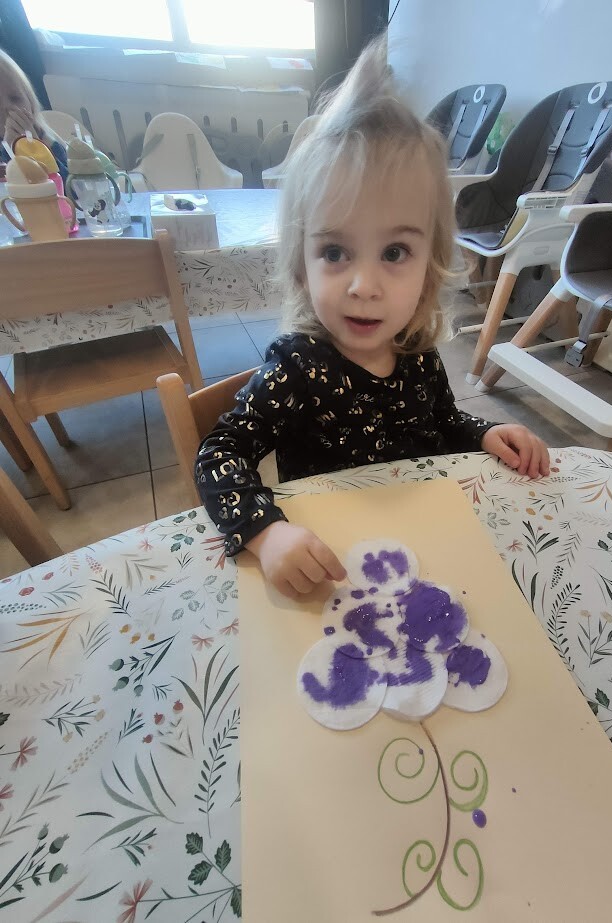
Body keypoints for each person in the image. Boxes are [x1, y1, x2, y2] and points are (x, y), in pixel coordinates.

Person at [196, 37, 549, 600]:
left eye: (394, 252)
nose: (364, 285)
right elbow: (220, 453)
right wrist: (265, 533)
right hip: (334, 570)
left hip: (424, 550)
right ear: (302, 267)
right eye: (335, 252)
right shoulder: (298, 369)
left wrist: (484, 432)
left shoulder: (417, 351)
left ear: (429, 267)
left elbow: (442, 421)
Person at [0, 49, 67, 181]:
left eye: (15, 98)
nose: (7, 107)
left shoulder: (49, 143)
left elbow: (71, 187)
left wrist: (37, 150)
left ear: (30, 102)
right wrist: (8, 151)